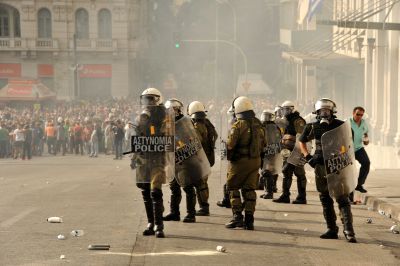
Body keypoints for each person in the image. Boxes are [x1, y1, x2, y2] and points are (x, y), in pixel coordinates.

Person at [299, 98, 357, 243]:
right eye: (321, 111)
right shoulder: (312, 127)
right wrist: (307, 156)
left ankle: (349, 230)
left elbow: (350, 141)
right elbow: (301, 141)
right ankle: (332, 229)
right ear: (317, 112)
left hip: (337, 165)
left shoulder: (341, 125)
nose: (324, 114)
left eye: (327, 111)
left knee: (342, 198)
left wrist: (345, 158)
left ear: (332, 112)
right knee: (325, 198)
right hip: (320, 166)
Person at [132, 88, 173, 238]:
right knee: (145, 190)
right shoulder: (141, 117)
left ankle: (159, 225)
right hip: (143, 159)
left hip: (157, 158)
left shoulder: (165, 117)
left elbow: (168, 137)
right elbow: (136, 138)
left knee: (155, 191)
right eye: (145, 100)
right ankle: (150, 222)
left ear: (158, 100)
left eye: (151, 99)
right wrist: (134, 157)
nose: (148, 103)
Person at [225, 96, 265, 230]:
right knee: (249, 190)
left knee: (232, 187)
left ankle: (237, 217)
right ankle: (249, 220)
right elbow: (264, 144)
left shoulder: (238, 125)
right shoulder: (259, 123)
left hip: (240, 162)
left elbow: (230, 145)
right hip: (256, 161)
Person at [273, 100, 308, 204]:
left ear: (293, 109)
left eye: (287, 109)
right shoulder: (286, 120)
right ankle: (285, 195)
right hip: (287, 151)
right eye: (284, 109)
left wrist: (302, 153)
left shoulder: (298, 121)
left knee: (299, 173)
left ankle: (302, 197)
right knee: (286, 172)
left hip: (297, 150)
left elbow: (302, 137)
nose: (285, 111)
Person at [187, 101, 218, 216]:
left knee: (201, 183)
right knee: (202, 183)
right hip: (208, 157)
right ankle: (204, 206)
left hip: (200, 158)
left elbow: (196, 141)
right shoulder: (208, 123)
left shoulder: (197, 126)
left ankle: (204, 207)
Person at [259, 110, 282, 199]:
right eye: (265, 116)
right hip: (272, 150)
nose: (266, 118)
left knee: (266, 171)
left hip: (269, 150)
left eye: (268, 116)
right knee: (269, 170)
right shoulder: (274, 127)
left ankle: (269, 192)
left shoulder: (271, 127)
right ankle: (270, 189)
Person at [350, 106, 370, 193]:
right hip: (347, 149)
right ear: (353, 113)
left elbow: (365, 135)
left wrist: (366, 141)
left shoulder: (364, 123)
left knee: (366, 163)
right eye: (357, 114)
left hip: (358, 148)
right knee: (349, 169)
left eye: (361, 115)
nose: (359, 117)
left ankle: (359, 185)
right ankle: (349, 189)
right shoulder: (346, 122)